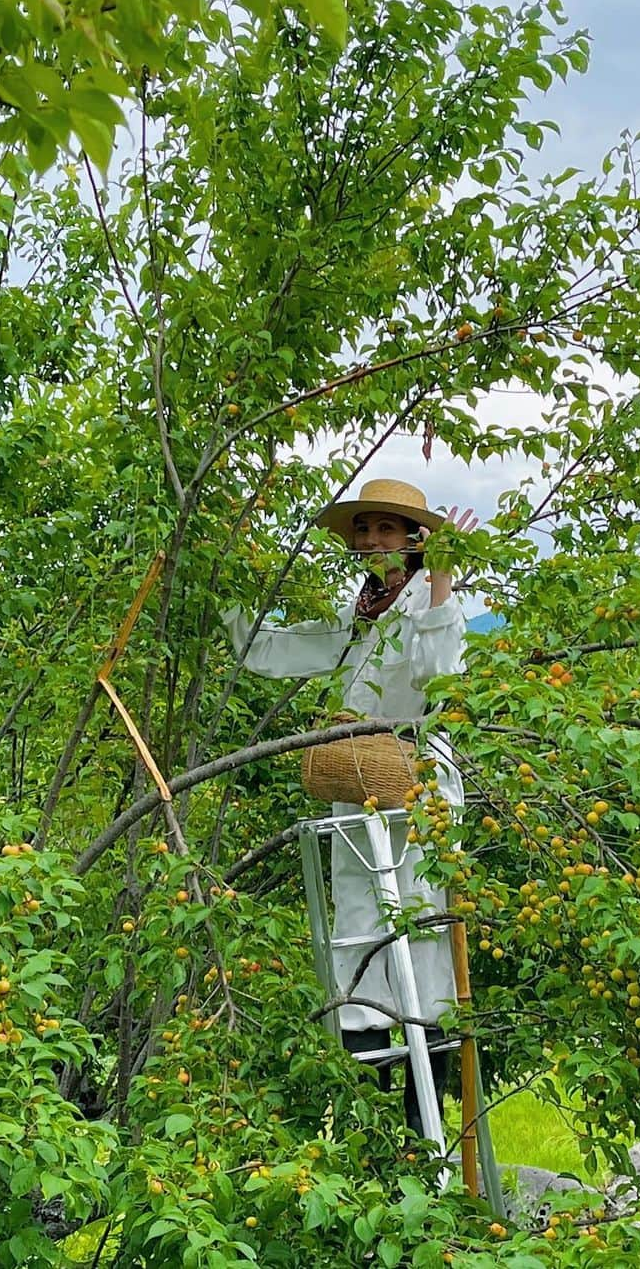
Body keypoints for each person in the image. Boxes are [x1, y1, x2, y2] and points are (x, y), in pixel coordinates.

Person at [221, 478, 476, 1135]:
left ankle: (427, 1121)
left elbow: (441, 676)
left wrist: (443, 583)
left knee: (417, 934)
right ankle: (370, 1119)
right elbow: (273, 650)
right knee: (359, 926)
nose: (371, 542)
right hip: (360, 781)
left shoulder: (430, 601)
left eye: (386, 529)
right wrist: (221, 584)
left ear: (417, 540)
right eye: (364, 530)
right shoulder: (360, 610)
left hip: (414, 785)